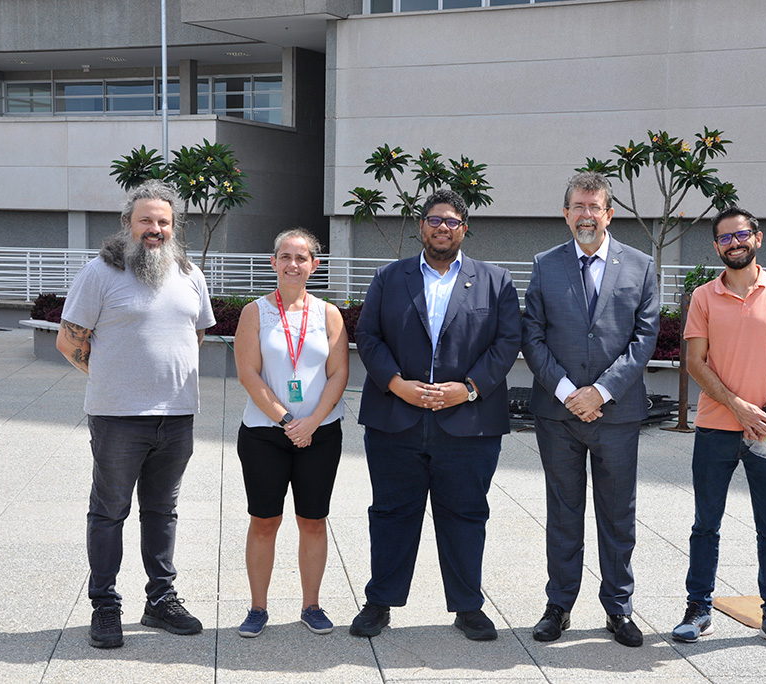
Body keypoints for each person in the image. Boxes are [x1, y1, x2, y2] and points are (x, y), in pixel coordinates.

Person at [350, 188, 522, 641]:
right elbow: (368, 337)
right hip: (395, 419)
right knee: (390, 513)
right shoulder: (390, 277)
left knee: (465, 515)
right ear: (420, 226)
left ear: (464, 228)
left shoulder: (496, 280)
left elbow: (507, 344)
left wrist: (466, 390)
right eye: (433, 220)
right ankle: (380, 601)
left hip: (469, 423)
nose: (442, 227)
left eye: (451, 220)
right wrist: (397, 384)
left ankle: (468, 607)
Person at [56, 180, 216, 649]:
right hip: (117, 418)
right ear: (128, 224)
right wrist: (111, 378)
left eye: (164, 221)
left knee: (162, 511)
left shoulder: (190, 273)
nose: (155, 228)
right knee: (109, 512)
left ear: (174, 227)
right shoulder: (99, 274)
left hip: (177, 416)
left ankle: (159, 600)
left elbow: (197, 335)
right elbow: (69, 341)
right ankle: (105, 605)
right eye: (146, 219)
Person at [522, 171, 659, 647]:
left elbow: (644, 339)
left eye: (593, 207)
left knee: (618, 514)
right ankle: (558, 605)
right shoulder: (545, 264)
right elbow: (532, 335)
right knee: (563, 513)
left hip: (616, 415)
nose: (585, 215)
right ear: (565, 214)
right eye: (577, 207)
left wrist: (600, 392)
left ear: (608, 213)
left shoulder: (640, 265)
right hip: (558, 415)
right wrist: (566, 392)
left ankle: (618, 608)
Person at [671, 207, 766, 652]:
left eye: (742, 234)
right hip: (716, 427)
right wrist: (738, 407)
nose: (735, 243)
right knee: (705, 525)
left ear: (758, 238)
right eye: (726, 238)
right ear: (716, 247)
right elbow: (695, 362)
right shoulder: (703, 297)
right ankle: (698, 609)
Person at [232, 228, 349, 638]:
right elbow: (248, 374)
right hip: (265, 433)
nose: (293, 264)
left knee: (313, 521)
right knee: (264, 520)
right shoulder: (255, 312)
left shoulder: (328, 314)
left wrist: (312, 421)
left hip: (320, 433)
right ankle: (257, 607)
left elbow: (339, 374)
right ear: (273, 262)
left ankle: (311, 605)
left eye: (302, 258)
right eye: (285, 256)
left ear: (314, 265)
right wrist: (286, 420)